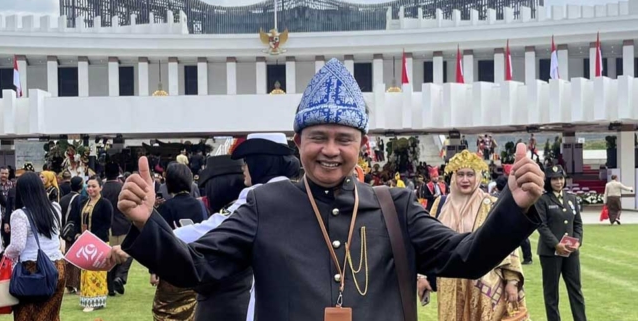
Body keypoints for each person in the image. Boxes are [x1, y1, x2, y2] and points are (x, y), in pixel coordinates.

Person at [112, 59, 545, 321]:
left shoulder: (395, 207)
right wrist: (148, 223)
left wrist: (514, 204)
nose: (331, 151)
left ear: (363, 145)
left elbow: (465, 258)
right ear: (297, 142)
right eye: (318, 137)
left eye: (345, 139)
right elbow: (198, 270)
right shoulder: (265, 204)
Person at [172, 134, 299, 321]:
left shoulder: (256, 197)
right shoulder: (297, 193)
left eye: (247, 161)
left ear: (260, 162)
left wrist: (157, 234)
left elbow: (210, 230)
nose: (243, 167)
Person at [422, 151, 527, 321]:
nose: (465, 180)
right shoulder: (440, 204)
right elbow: (426, 241)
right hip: (450, 282)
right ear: (453, 176)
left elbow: (508, 244)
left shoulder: (491, 204)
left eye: (470, 174)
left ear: (478, 176)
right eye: (460, 174)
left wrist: (512, 280)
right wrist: (422, 276)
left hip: (485, 284)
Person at [4, 172, 67, 320]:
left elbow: (17, 246)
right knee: (51, 315)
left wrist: (5, 254)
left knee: (27, 315)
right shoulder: (55, 208)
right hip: (57, 266)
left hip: (32, 269)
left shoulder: (20, 215)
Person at [151, 162, 209, 320]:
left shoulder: (165, 208)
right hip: (196, 269)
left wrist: (153, 270)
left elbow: (158, 242)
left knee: (165, 313)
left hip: (171, 271)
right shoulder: (201, 206)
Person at [535, 165, 586, 321]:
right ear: (548, 181)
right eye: (554, 179)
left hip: (571, 252)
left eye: (561, 178)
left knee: (575, 289)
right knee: (551, 292)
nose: (558, 182)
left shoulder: (571, 198)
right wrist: (556, 244)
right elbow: (541, 225)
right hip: (551, 253)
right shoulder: (542, 199)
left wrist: (576, 241)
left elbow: (577, 223)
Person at [69, 176, 113, 312]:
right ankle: (87, 298)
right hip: (85, 243)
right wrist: (77, 234)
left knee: (96, 272)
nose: (90, 189)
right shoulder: (82, 202)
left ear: (100, 187)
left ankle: (96, 300)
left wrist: (92, 237)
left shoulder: (105, 204)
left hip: (99, 243)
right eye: (88, 186)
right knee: (85, 271)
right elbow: (76, 220)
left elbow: (107, 224)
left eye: (94, 186)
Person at [103, 162, 131, 297]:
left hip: (109, 228)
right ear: (118, 173)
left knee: (110, 257)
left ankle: (110, 286)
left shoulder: (102, 189)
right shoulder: (123, 187)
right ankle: (119, 277)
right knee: (127, 253)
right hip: (124, 225)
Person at [59, 176, 84, 294]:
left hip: (64, 231)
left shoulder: (63, 199)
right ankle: (76, 284)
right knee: (77, 258)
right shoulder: (80, 199)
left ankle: (68, 284)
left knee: (67, 257)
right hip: (75, 232)